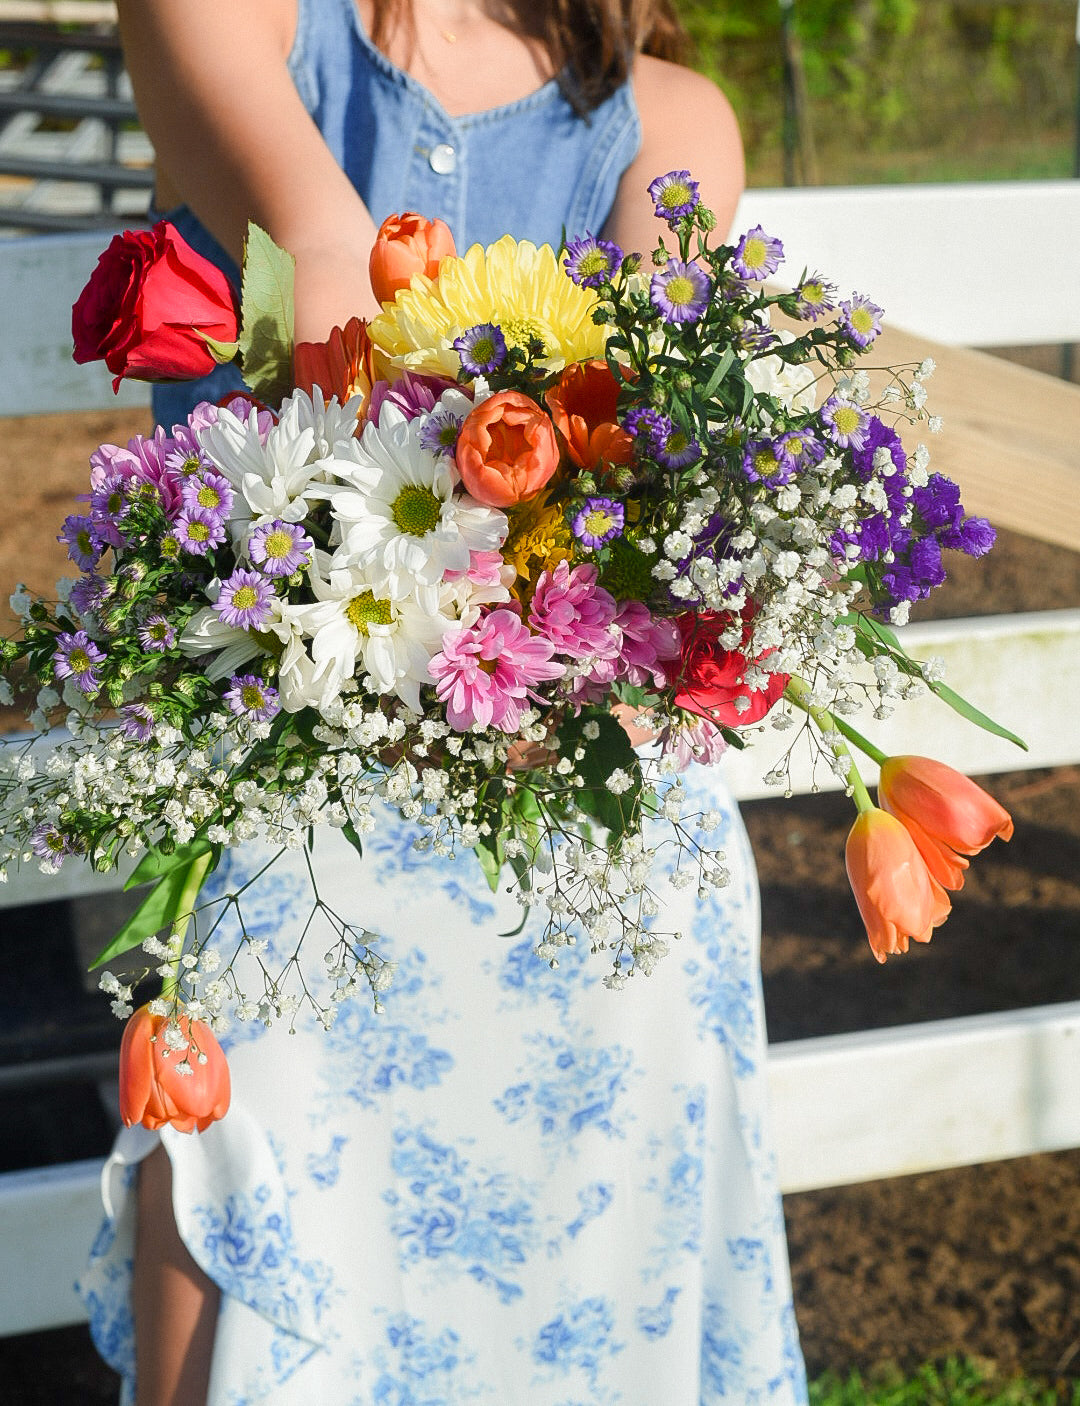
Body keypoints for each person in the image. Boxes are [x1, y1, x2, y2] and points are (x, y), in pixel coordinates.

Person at [78, 2, 810, 1402]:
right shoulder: (239, 19)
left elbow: (637, 474)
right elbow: (326, 271)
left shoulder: (667, 121)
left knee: (669, 868)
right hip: (285, 701)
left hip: (545, 712)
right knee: (268, 924)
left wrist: (552, 644)